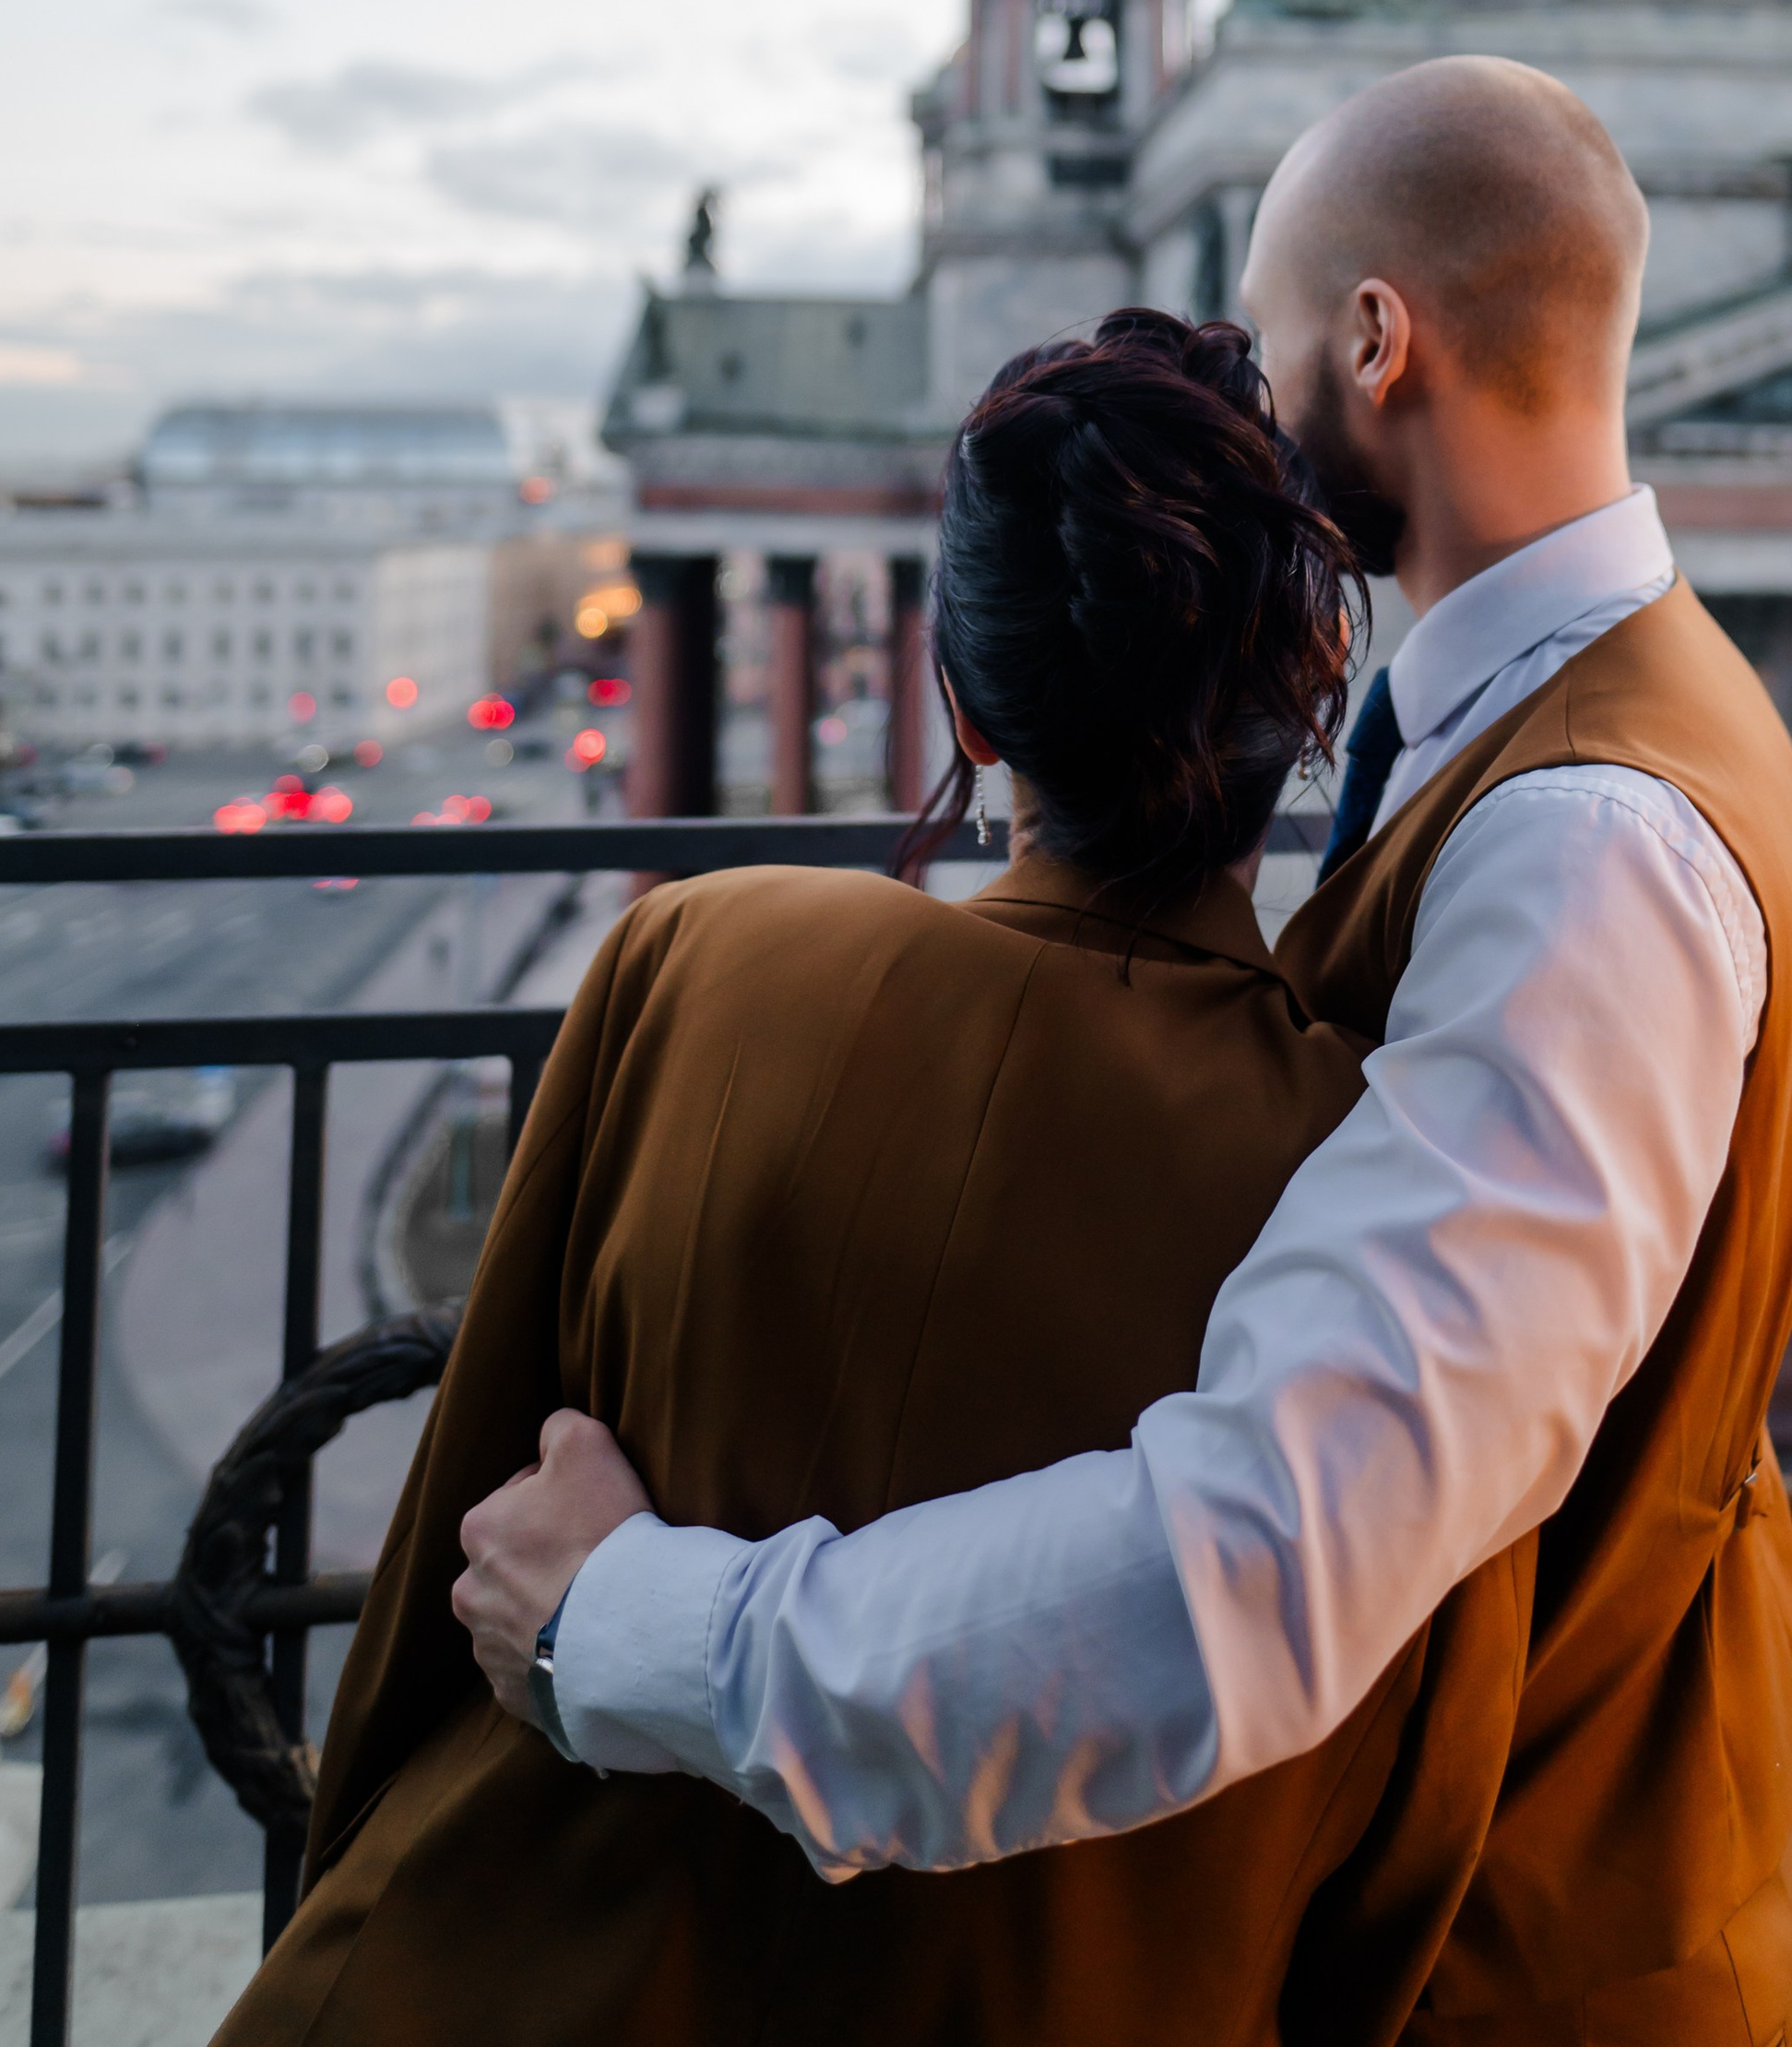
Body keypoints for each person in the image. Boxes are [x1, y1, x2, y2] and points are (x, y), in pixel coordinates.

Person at [457, 57, 1792, 2042]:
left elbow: (1264, 1557)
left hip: (1529, 1951)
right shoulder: (1587, 718)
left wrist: (640, 1623)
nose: (1252, 423)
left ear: (1374, 339)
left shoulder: (1588, 841)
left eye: (1271, 338)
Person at [215, 311, 1533, 2047]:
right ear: (1306, 709)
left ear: (971, 712)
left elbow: (451, 1548)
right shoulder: (1390, 1160)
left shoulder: (692, 959)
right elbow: (1419, 1791)